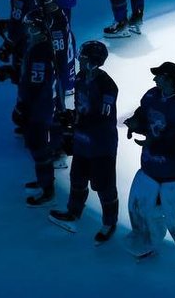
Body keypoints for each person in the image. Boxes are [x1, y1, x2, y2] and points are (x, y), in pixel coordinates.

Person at [124, 62, 175, 276]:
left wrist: (155, 143)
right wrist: (135, 122)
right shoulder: (152, 95)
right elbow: (143, 113)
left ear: (170, 79)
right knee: (140, 206)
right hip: (150, 167)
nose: (155, 79)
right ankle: (145, 240)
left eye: (159, 76)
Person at [48, 40, 120, 245]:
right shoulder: (80, 78)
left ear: (94, 61)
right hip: (82, 142)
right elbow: (82, 109)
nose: (79, 59)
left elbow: (102, 117)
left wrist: (75, 121)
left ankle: (109, 222)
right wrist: (71, 116)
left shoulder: (107, 86)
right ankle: (73, 211)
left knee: (104, 185)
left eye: (84, 58)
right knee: (77, 178)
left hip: (101, 145)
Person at [17, 9, 59, 208]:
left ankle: (47, 188)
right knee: (36, 145)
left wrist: (26, 106)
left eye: (31, 26)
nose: (28, 29)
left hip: (39, 109)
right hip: (37, 106)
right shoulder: (38, 48)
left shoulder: (40, 52)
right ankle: (43, 181)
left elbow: (37, 83)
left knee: (39, 146)